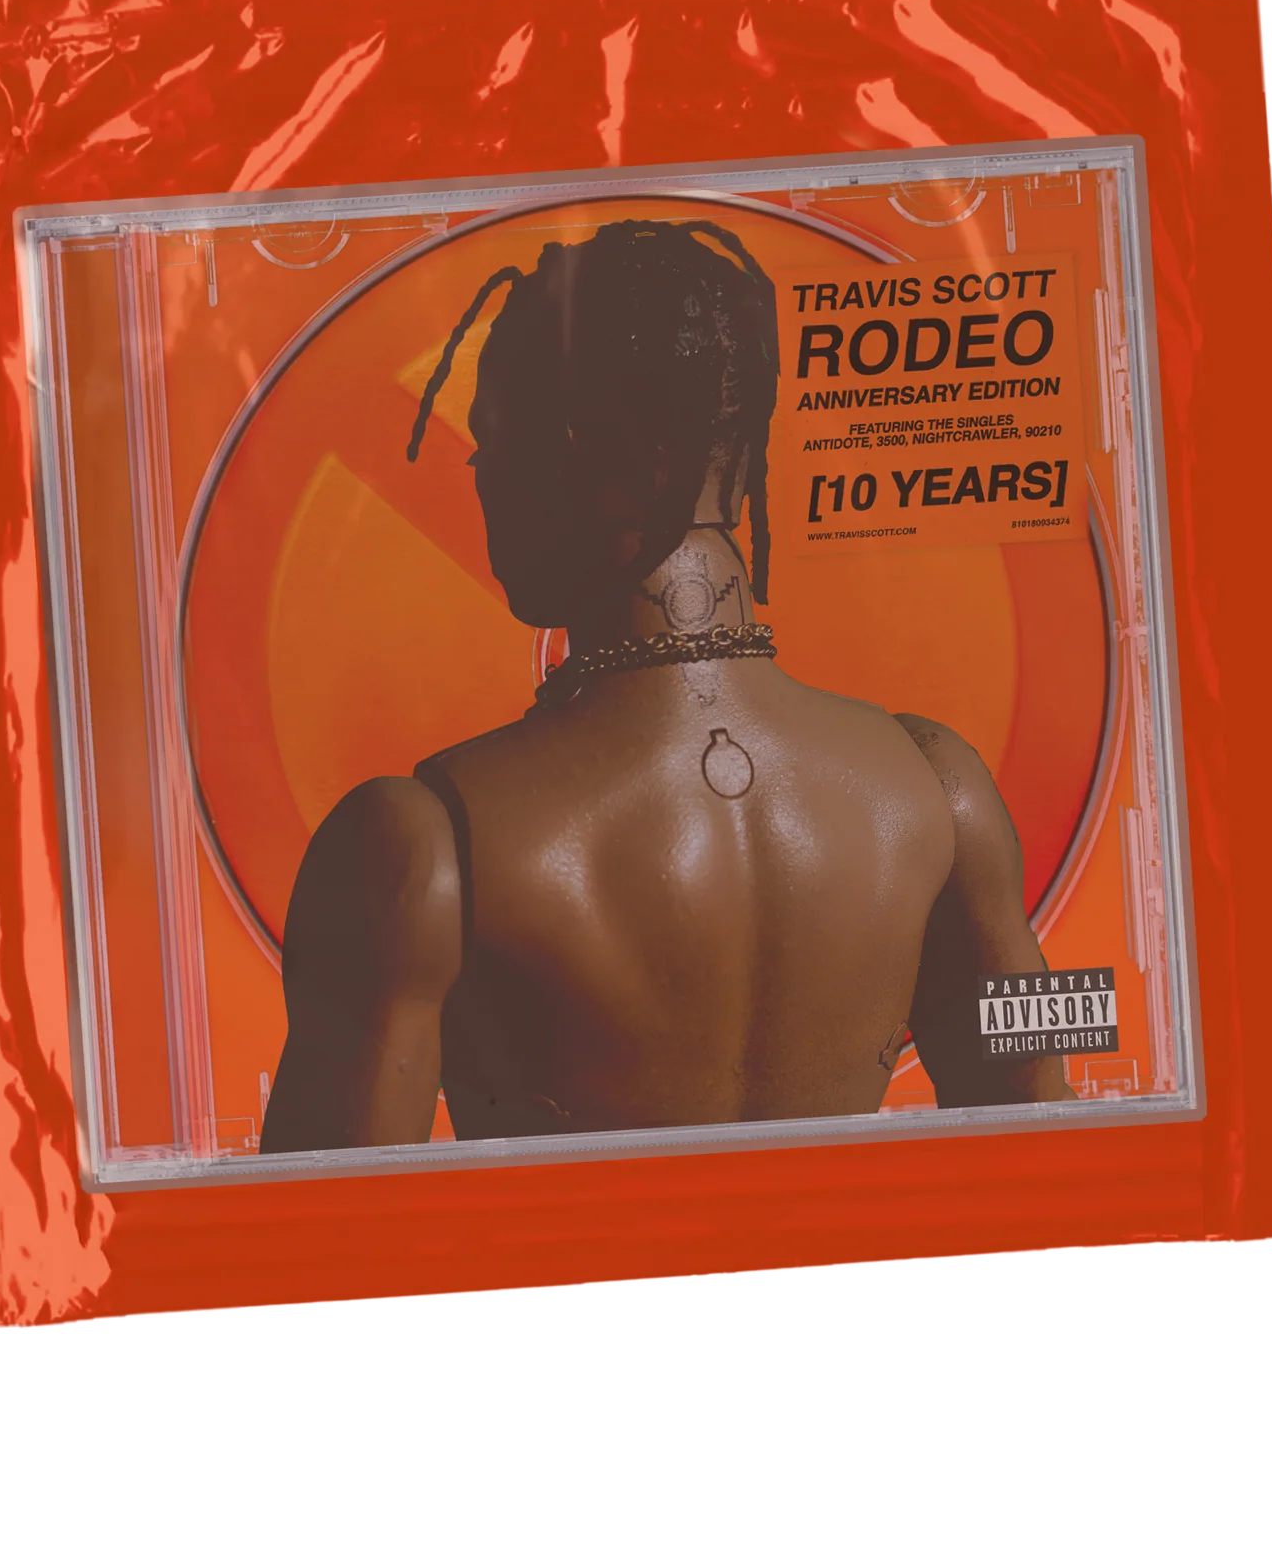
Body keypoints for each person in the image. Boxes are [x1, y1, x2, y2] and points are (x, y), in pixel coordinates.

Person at [259, 218, 1071, 1154]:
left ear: (583, 458)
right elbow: (1055, 1147)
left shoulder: (415, 845)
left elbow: (326, 1229)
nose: (478, 481)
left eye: (488, 448)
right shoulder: (942, 790)